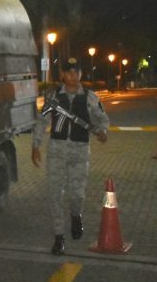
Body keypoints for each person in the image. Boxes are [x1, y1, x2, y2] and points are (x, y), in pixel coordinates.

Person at [32, 57, 109, 256]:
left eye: (76, 72)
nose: (73, 76)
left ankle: (76, 215)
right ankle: (59, 237)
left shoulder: (90, 97)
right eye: (68, 72)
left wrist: (102, 131)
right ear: (63, 75)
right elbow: (42, 122)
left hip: (79, 151)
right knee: (55, 194)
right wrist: (35, 146)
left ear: (80, 74)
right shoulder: (54, 97)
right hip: (56, 151)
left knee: (77, 194)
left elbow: (102, 119)